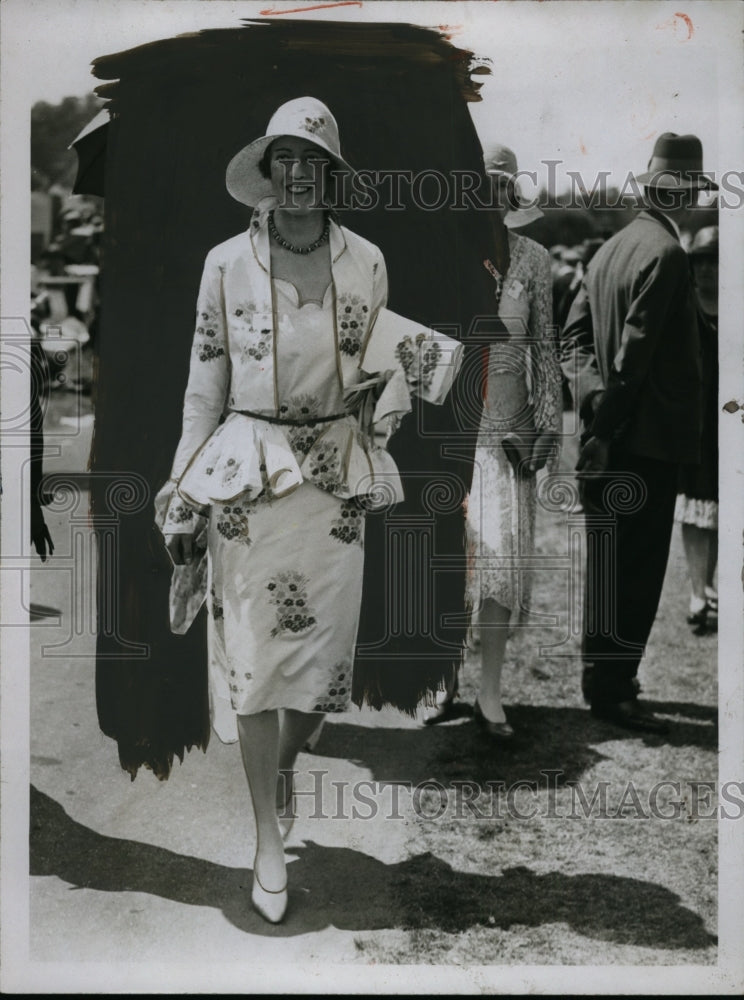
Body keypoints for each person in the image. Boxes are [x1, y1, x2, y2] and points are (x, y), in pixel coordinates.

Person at [155, 98, 461, 923]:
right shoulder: (226, 263)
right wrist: (184, 486)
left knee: (320, 679)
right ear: (268, 166)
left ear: (332, 173)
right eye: (284, 157)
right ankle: (264, 838)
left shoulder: (367, 261)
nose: (297, 173)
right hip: (249, 484)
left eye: (312, 160)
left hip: (332, 484)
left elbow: (382, 366)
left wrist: (398, 384)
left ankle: (287, 763)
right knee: (255, 665)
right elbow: (204, 385)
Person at [560, 133, 716, 733]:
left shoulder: (608, 250)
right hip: (641, 442)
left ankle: (601, 680)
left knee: (606, 564)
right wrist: (608, 423)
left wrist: (593, 406)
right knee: (639, 568)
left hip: (608, 435)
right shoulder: (668, 253)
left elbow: (572, 342)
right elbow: (637, 354)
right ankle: (615, 689)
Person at [423, 145, 562, 737]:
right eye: (484, 185)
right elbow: (426, 346)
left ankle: (491, 692)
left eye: (503, 186)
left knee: (501, 565)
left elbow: (547, 349)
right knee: (452, 563)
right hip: (452, 434)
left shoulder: (535, 259)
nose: (493, 196)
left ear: (514, 195)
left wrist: (546, 425)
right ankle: (441, 682)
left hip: (509, 434)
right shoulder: (448, 255)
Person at [674, 225, 719, 635]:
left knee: (721, 511)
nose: (707, 271)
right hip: (694, 421)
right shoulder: (684, 307)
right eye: (701, 262)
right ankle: (696, 591)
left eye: (715, 262)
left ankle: (709, 584)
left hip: (729, 418)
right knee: (694, 508)